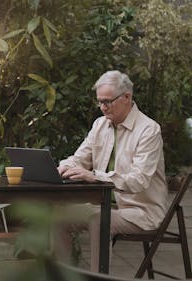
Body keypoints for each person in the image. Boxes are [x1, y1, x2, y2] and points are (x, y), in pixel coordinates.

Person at [53, 70, 168, 272]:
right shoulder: (100, 125)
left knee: (99, 219)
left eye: (107, 101)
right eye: (100, 102)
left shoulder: (149, 130)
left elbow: (138, 180)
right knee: (58, 216)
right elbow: (80, 158)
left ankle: (99, 278)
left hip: (141, 212)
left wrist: (95, 176)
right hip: (103, 204)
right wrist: (64, 166)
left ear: (127, 97)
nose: (103, 108)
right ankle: (60, 276)